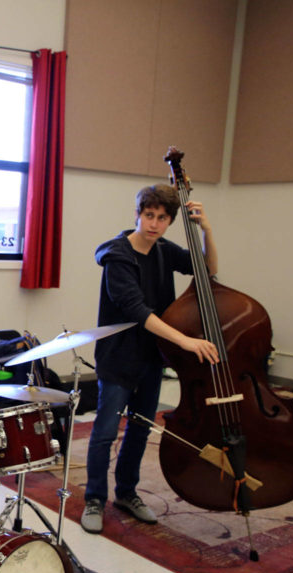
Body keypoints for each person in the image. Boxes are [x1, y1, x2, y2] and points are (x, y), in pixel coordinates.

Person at [81, 184, 219, 534]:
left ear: (170, 221)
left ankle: (126, 493)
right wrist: (185, 342)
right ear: (138, 214)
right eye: (149, 215)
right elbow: (137, 310)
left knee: (140, 428)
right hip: (117, 357)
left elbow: (206, 272)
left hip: (151, 357)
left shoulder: (163, 250)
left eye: (162, 218)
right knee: (105, 432)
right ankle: (94, 498)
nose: (154, 224)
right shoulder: (117, 256)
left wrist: (207, 230)